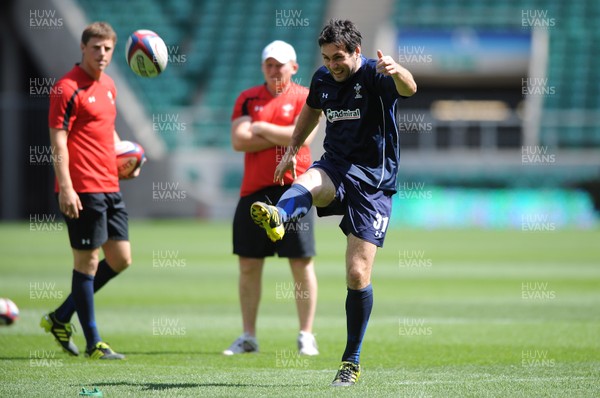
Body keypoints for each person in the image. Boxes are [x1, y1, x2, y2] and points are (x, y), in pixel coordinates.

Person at [250, 20, 417, 386]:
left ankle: (351, 361)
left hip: (374, 183)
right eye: (326, 58)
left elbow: (410, 87)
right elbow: (311, 110)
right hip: (337, 166)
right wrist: (292, 148)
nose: (332, 65)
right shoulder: (323, 79)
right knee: (309, 180)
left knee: (357, 274)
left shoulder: (375, 75)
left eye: (338, 57)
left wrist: (398, 69)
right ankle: (279, 214)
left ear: (356, 52)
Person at [40, 22, 140, 360]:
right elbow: (58, 141)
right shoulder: (66, 88)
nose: (101, 54)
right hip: (82, 188)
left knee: (121, 259)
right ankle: (94, 342)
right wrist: (66, 187)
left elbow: (108, 134)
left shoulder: (109, 85)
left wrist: (126, 161)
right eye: (95, 47)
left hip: (109, 184)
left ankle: (60, 316)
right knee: (88, 262)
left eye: (107, 48)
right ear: (82, 48)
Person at [223, 40, 320, 356]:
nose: (274, 69)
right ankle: (248, 335)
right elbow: (239, 141)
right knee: (249, 265)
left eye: (280, 64)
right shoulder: (248, 97)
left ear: (294, 67)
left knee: (300, 263)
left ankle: (306, 334)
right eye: (269, 64)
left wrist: (261, 126)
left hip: (295, 191)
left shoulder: (306, 96)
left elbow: (305, 137)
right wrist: (285, 132)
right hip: (254, 192)